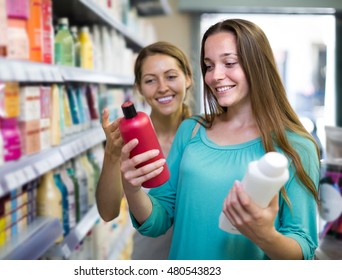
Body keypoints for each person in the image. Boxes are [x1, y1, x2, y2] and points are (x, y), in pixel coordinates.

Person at [119, 19, 320, 260]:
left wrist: (265, 234)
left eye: (229, 63)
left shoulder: (296, 146)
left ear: (258, 65)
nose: (215, 76)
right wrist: (132, 189)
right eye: (209, 65)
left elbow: (303, 248)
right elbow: (158, 220)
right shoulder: (191, 130)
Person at [95, 41, 194, 259]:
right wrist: (112, 154)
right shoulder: (130, 141)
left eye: (171, 76)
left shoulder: (204, 134)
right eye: (150, 80)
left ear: (188, 78)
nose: (162, 87)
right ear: (139, 88)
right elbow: (108, 213)